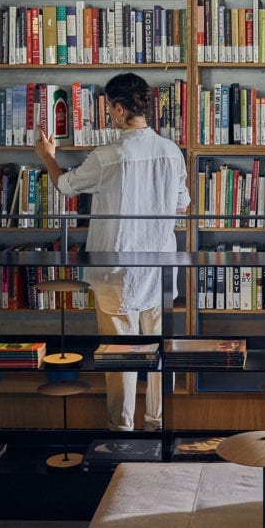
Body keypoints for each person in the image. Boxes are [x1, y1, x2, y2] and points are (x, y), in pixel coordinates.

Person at [35, 72, 189, 431]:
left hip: (117, 270)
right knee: (159, 353)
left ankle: (122, 433)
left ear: (119, 110)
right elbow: (182, 204)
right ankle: (157, 424)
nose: (108, 116)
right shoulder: (171, 151)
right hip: (161, 268)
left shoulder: (108, 155)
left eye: (108, 110)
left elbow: (66, 186)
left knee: (120, 357)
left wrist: (48, 156)